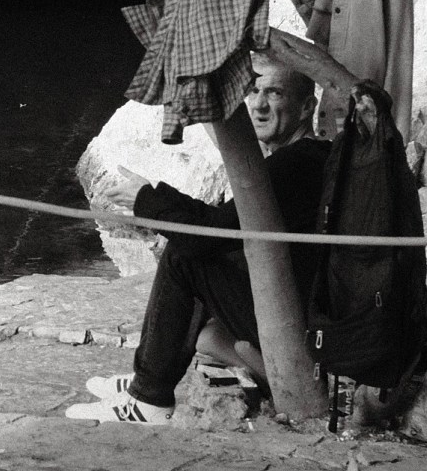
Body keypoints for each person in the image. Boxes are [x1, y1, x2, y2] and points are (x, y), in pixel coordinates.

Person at [68, 55, 328, 424]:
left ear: (306, 108)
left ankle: (149, 398)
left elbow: (210, 235)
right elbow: (225, 225)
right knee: (203, 314)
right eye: (253, 91)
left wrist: (147, 199)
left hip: (300, 318)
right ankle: (148, 375)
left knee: (184, 256)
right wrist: (154, 198)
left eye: (274, 92)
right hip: (300, 303)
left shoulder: (296, 164)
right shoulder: (299, 158)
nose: (259, 104)